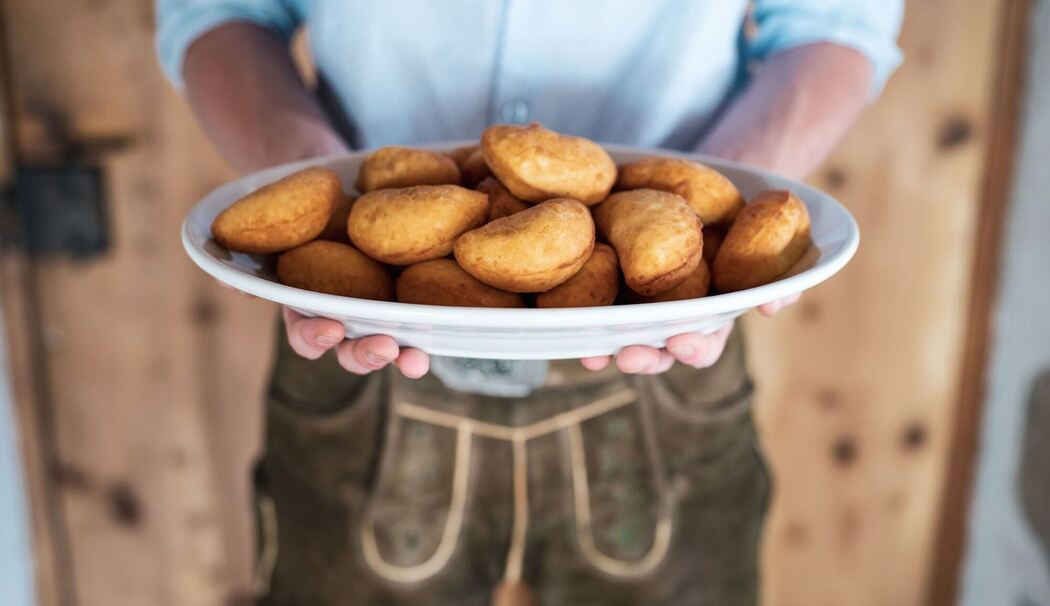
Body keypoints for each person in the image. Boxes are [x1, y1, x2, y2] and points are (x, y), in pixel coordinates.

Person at [157, 2, 903, 604]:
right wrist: (311, 180)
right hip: (361, 334)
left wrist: (722, 227)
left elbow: (835, 23)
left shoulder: (643, 249)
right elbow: (216, 10)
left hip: (667, 345)